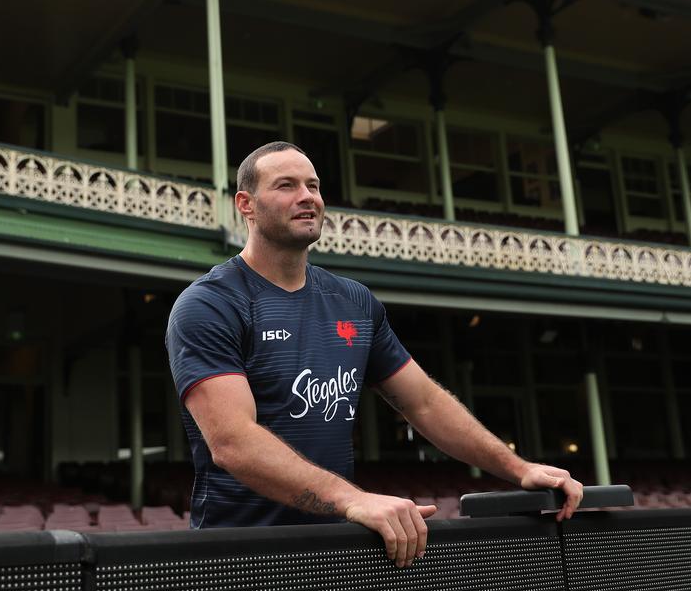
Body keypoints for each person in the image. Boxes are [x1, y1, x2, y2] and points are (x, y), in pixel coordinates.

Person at [166, 141, 583, 567]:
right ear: (246, 205)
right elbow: (233, 442)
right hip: (239, 557)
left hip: (338, 552)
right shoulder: (211, 303)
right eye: (286, 186)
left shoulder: (353, 301)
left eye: (313, 185)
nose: (307, 196)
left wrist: (518, 469)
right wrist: (352, 499)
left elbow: (424, 402)